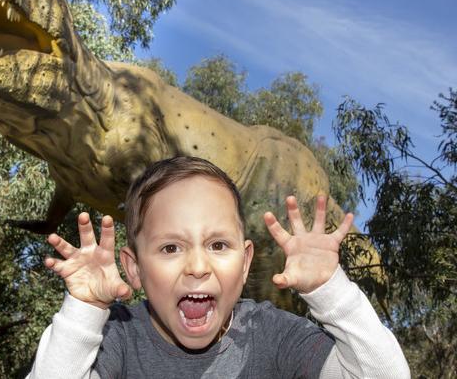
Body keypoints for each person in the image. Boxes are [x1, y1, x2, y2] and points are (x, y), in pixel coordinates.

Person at [27, 156, 409, 378]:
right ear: (135, 268)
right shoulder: (119, 340)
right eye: (171, 247)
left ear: (244, 264)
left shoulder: (271, 334)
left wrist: (331, 290)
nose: (197, 266)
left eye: (218, 245)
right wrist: (85, 311)